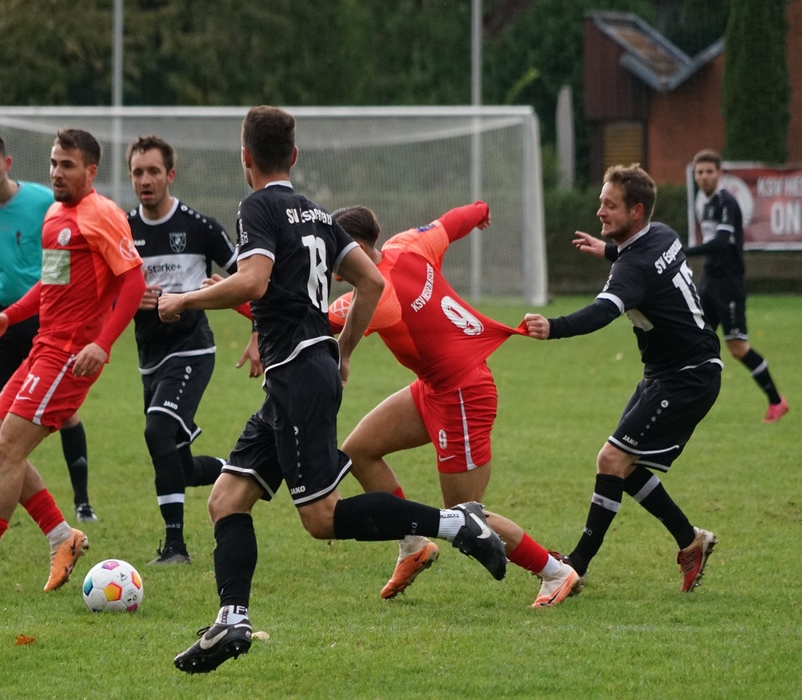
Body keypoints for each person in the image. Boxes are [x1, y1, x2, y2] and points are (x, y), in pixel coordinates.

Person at [159, 105, 507, 675]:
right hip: (298, 376)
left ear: (245, 158)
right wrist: (342, 349)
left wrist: (184, 299)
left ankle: (454, 525)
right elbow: (371, 280)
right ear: (294, 156)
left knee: (321, 517)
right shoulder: (318, 215)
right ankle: (232, 619)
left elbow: (253, 281)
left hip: (298, 376)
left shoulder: (257, 206)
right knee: (225, 500)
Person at [0, 128, 145, 592]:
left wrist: (102, 344)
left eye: (67, 165)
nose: (57, 172)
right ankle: (62, 536)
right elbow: (50, 284)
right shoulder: (55, 214)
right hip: (43, 347)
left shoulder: (102, 213)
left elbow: (133, 282)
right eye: (54, 163)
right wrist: (8, 317)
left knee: (8, 449)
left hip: (70, 356)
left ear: (91, 171)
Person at [330, 203, 580, 608]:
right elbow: (450, 223)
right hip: (435, 388)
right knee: (358, 451)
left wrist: (237, 295)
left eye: (333, 253)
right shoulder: (407, 245)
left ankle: (555, 571)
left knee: (464, 515)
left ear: (355, 248)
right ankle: (413, 544)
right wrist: (480, 211)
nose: (331, 267)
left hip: (463, 394)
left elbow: (308, 320)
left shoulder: (375, 295)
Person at [523, 164, 721, 594]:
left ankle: (576, 566)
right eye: (601, 202)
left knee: (612, 460)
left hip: (686, 377)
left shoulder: (634, 267)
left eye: (609, 205)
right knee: (623, 466)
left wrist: (552, 327)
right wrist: (610, 251)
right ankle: (690, 540)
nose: (599, 211)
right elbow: (646, 266)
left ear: (636, 211)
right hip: (676, 371)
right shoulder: (662, 234)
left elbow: (602, 312)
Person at [0, 133, 98, 525]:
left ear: (8, 163)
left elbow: (63, 267)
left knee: (64, 413)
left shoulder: (43, 201)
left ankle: (82, 503)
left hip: (44, 316)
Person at [126, 134, 243, 565]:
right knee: (181, 465)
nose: (145, 180)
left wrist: (257, 332)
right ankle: (243, 470)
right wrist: (129, 299)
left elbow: (249, 276)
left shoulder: (200, 227)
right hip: (149, 357)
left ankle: (175, 547)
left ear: (170, 175)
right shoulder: (123, 231)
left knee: (157, 430)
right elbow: (106, 293)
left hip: (193, 349)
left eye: (153, 171)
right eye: (138, 172)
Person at [689, 149, 788, 423]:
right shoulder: (704, 202)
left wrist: (685, 251)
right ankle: (690, 401)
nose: (705, 176)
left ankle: (777, 401)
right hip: (709, 279)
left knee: (737, 346)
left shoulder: (727, 202)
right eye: (700, 172)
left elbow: (722, 242)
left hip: (729, 283)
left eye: (709, 172)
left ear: (719, 174)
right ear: (695, 176)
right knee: (697, 339)